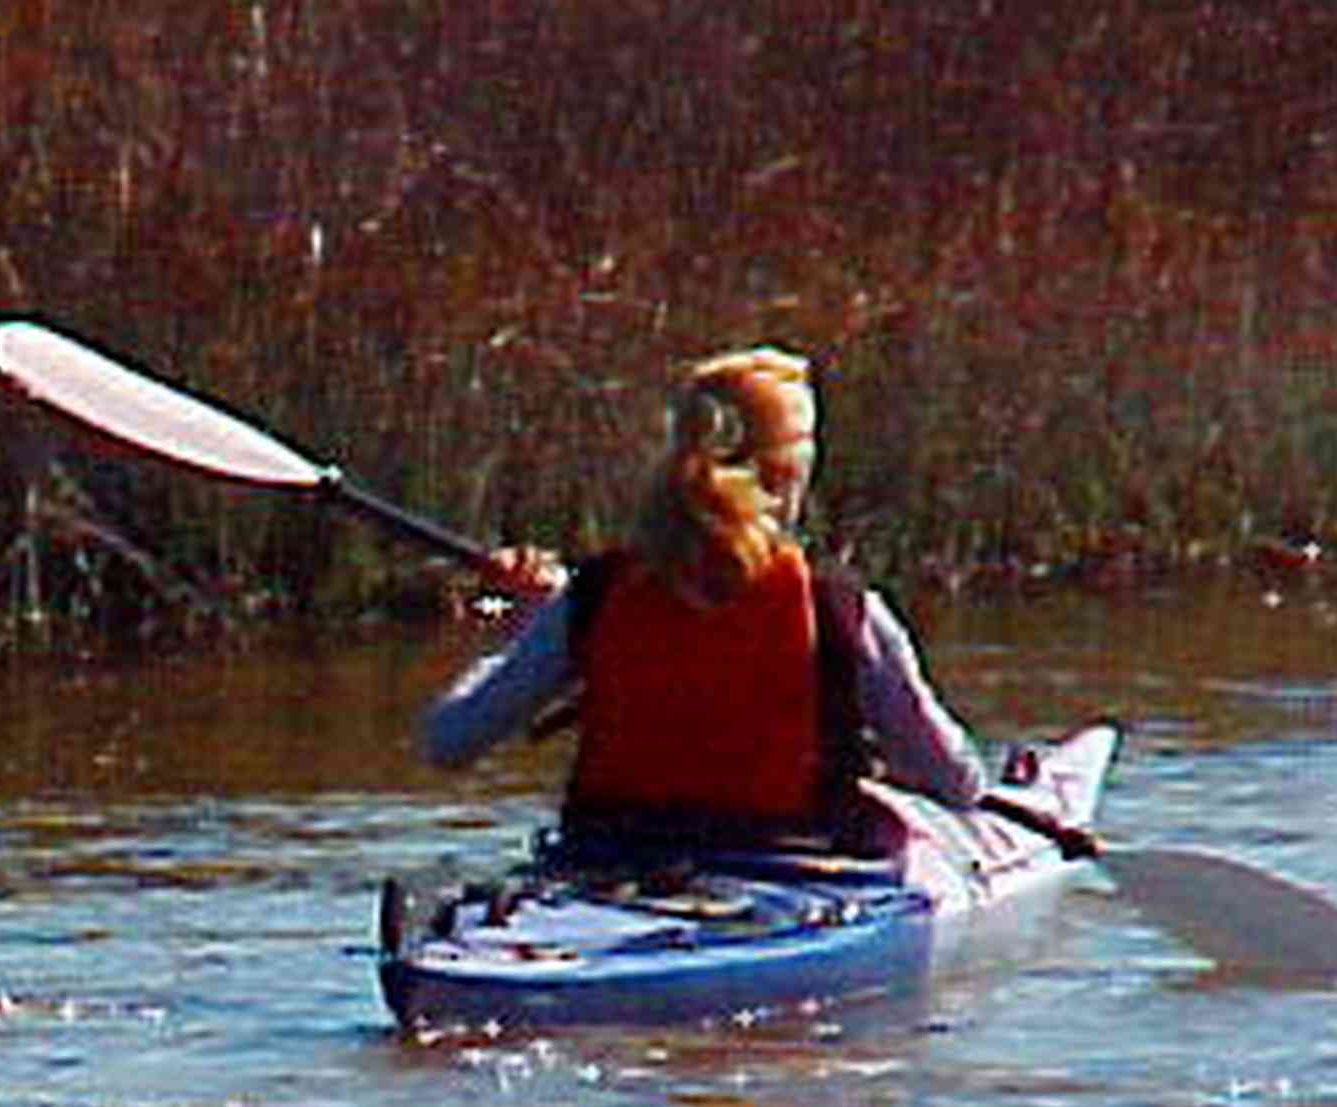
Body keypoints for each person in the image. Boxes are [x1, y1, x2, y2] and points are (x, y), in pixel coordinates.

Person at [419, 346, 988, 854]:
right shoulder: (839, 606)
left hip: (608, 860)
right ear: (791, 475)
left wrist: (531, 632)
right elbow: (957, 782)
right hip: (792, 869)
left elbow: (449, 743)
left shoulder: (597, 595)